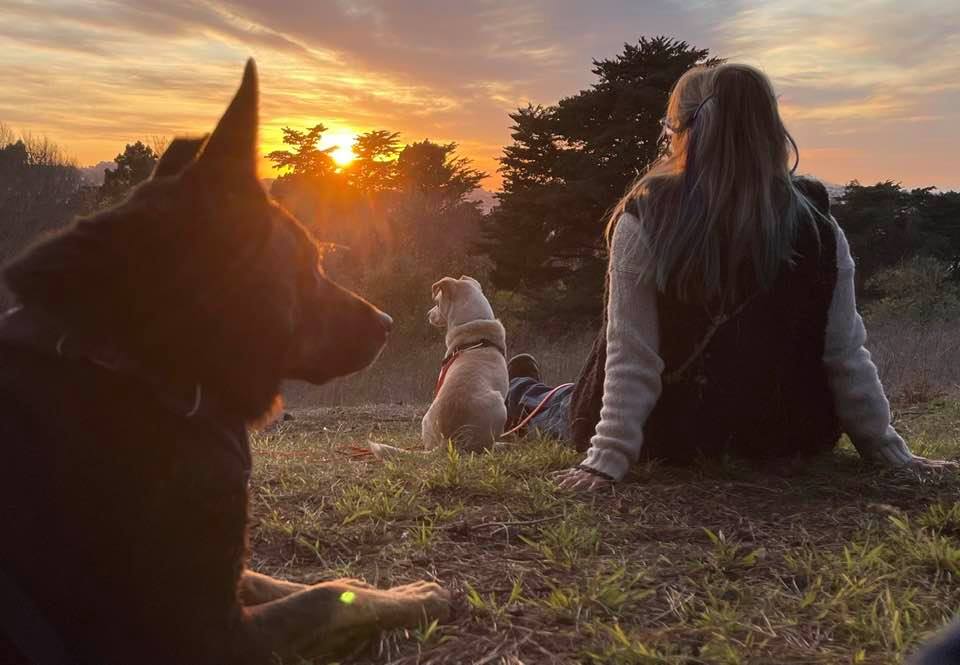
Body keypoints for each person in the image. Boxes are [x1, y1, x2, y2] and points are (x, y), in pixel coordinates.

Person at [503, 63, 956, 492]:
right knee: (568, 393)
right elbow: (844, 354)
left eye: (670, 129)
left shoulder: (645, 218)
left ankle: (518, 389)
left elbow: (631, 357)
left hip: (668, 436)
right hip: (783, 436)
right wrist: (888, 451)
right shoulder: (820, 225)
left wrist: (608, 457)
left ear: (686, 133)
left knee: (561, 404)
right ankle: (527, 384)